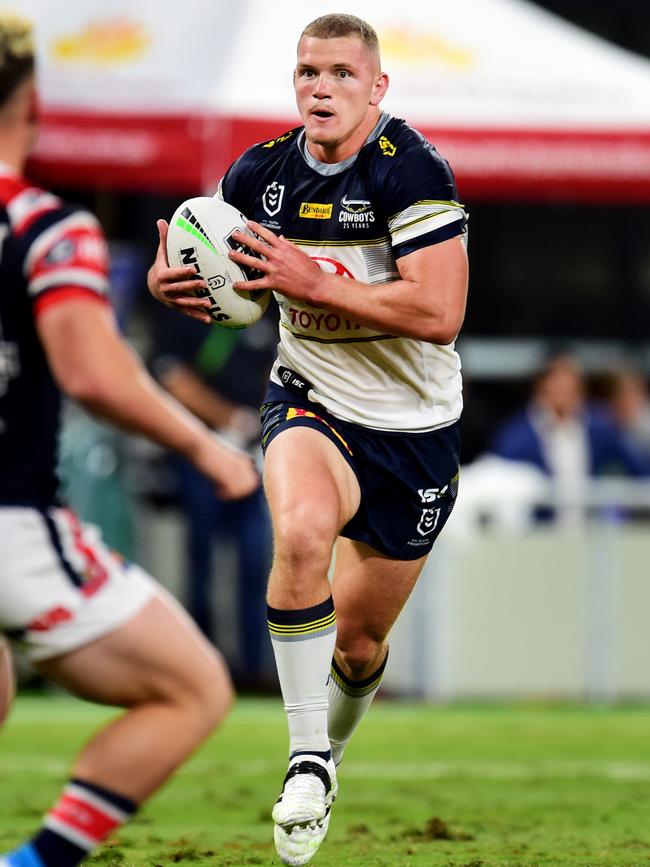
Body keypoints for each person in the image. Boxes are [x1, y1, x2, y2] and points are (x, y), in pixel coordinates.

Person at [148, 13, 468, 866]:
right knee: (297, 534)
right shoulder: (259, 172)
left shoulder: (414, 171)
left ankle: (327, 751)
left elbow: (440, 313)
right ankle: (304, 762)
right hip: (310, 395)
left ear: (376, 87)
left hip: (413, 429)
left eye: (340, 73)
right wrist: (176, 278)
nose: (320, 87)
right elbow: (219, 267)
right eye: (306, 72)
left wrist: (307, 276)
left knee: (360, 647)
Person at [0, 14, 259, 867]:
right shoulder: (43, 226)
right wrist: (206, 447)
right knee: (192, 688)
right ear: (31, 100)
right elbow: (94, 376)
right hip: (12, 524)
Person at [152, 305, 276, 685]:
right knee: (202, 560)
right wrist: (230, 419)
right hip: (200, 451)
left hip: (255, 451)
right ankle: (203, 668)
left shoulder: (266, 309)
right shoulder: (184, 310)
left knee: (258, 563)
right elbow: (171, 376)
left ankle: (256, 670)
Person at [488, 352, 650, 523]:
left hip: (589, 534)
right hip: (538, 537)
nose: (565, 388)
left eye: (571, 382)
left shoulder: (599, 428)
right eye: (557, 380)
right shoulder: (516, 437)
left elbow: (637, 467)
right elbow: (499, 486)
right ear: (541, 385)